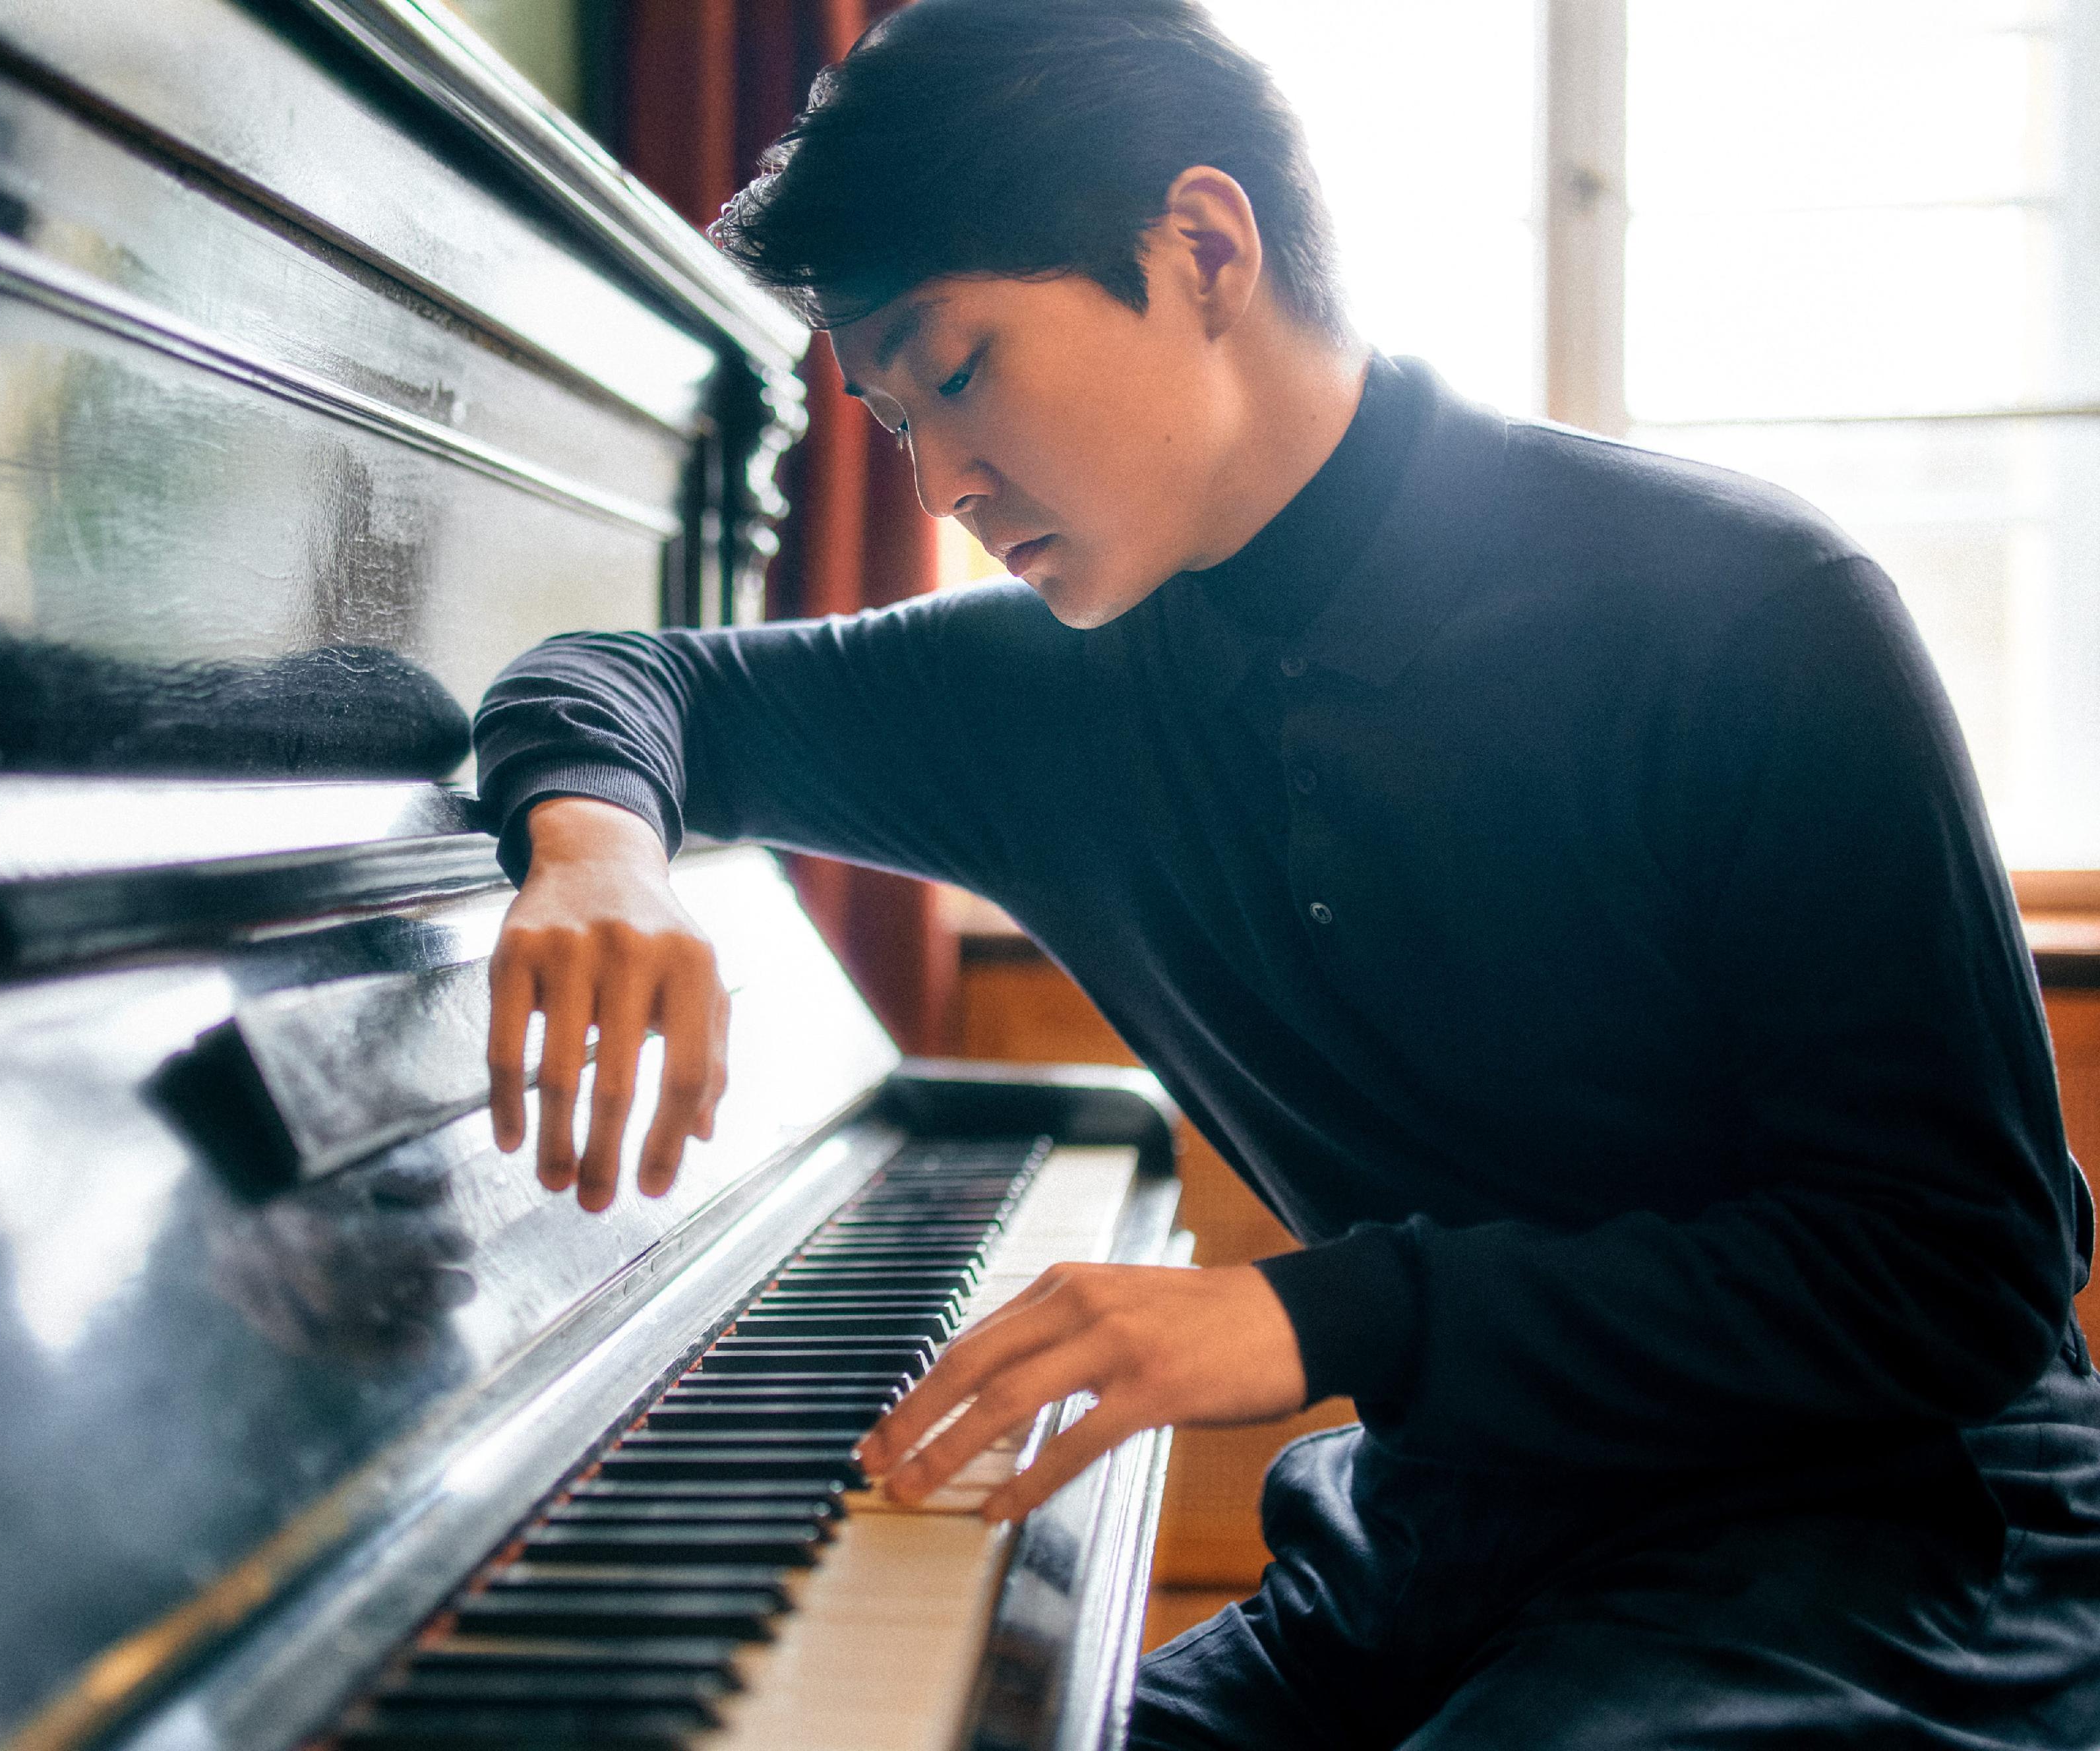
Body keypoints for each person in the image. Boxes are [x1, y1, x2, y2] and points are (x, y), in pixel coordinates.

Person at [468, 1, 2100, 1744]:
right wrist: (595, 848)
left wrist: (1318, 1319)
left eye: (957, 373)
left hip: (1885, 1546)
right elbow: (628, 684)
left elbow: (1960, 1280)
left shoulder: (1751, 612)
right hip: (1447, 1553)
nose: (938, 480)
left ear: (1204, 248)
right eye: (887, 418)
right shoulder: (1042, 682)